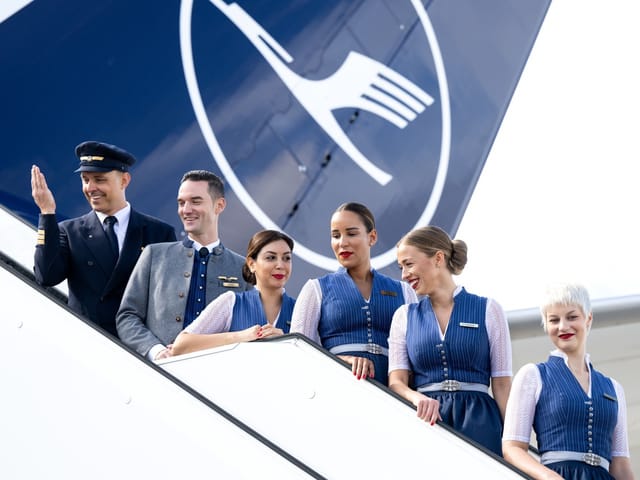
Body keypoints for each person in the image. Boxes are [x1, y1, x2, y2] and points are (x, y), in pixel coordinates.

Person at [31, 141, 176, 337]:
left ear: (124, 181)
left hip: (144, 348)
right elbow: (46, 277)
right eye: (85, 180)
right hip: (91, 344)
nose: (90, 188)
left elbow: (170, 296)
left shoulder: (159, 232)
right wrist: (47, 213)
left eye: (99, 179)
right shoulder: (69, 232)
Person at [389, 225, 512, 455]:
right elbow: (396, 381)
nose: (404, 275)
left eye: (409, 264)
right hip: (426, 420)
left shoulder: (489, 310)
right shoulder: (403, 317)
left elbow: (502, 384)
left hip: (481, 421)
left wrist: (514, 443)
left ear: (438, 258)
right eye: (401, 267)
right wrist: (416, 398)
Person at [116, 170, 252, 361]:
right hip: (159, 373)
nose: (186, 210)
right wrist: (155, 351)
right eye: (181, 203)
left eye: (196, 201)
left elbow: (248, 328)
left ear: (219, 205)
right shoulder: (154, 255)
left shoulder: (241, 268)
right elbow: (127, 317)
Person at [502, 283, 635, 480]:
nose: (563, 326)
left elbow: (621, 465)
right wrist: (548, 477)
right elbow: (512, 449)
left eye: (572, 317)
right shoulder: (533, 375)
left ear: (588, 318)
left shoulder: (614, 388)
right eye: (554, 320)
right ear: (546, 325)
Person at [290, 202, 418, 385]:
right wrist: (342, 361)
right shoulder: (316, 289)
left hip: (392, 393)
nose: (342, 243)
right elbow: (298, 351)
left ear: (372, 237)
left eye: (351, 233)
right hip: (337, 387)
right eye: (335, 236)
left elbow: (415, 354)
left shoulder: (404, 291)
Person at [171, 230, 294, 355]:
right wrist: (240, 337)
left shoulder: (299, 310)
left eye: (286, 258)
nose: (280, 265)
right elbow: (181, 346)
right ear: (251, 264)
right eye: (271, 258)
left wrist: (288, 343)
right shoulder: (231, 302)